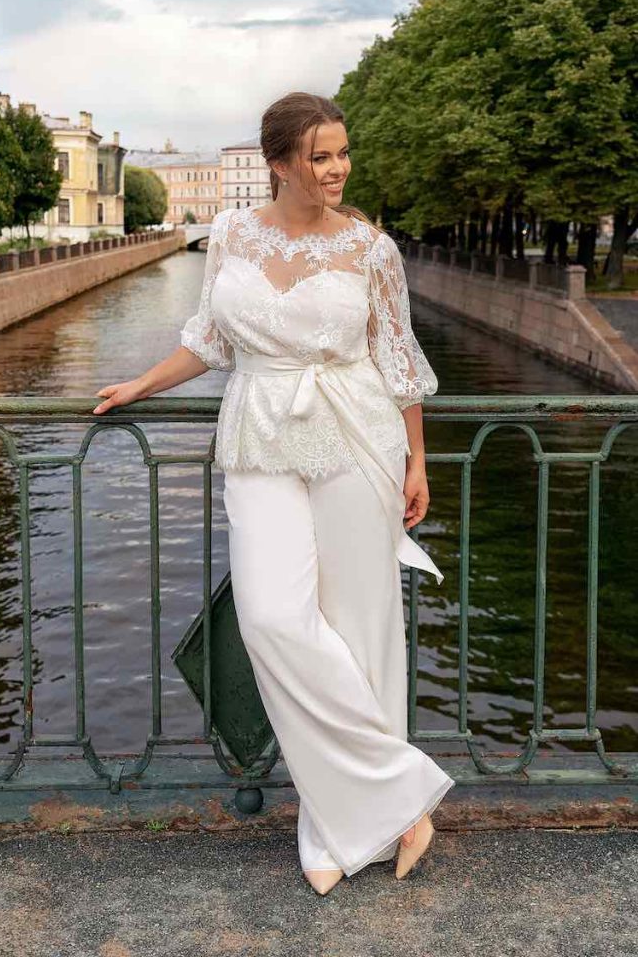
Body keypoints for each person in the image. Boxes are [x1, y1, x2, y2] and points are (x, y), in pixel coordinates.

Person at [93, 91, 455, 896]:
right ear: (280, 163)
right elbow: (210, 341)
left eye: (342, 154)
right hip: (259, 432)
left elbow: (398, 361)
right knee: (271, 619)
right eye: (320, 156)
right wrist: (141, 385)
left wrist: (417, 462)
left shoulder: (371, 249)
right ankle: (399, 792)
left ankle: (332, 821)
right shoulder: (230, 235)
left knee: (359, 627)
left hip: (357, 435)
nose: (337, 169)